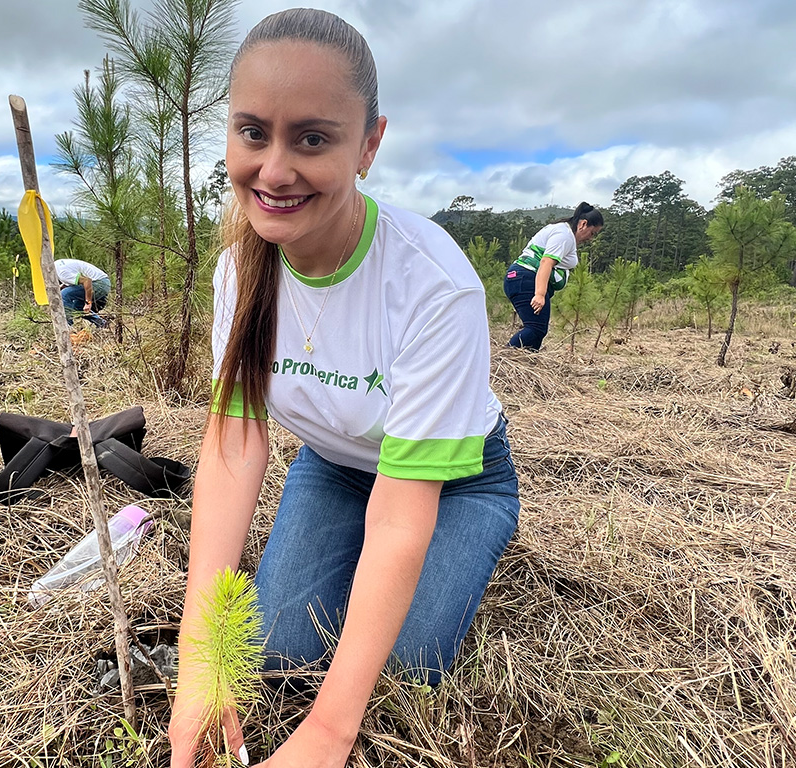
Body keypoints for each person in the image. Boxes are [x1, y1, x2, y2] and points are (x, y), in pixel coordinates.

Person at [167, 10, 519, 768]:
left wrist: (331, 732)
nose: (275, 169)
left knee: (403, 668)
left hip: (453, 483)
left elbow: (400, 513)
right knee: (279, 652)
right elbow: (235, 446)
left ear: (370, 143)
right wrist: (204, 661)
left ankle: (473, 546)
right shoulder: (241, 267)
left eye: (314, 139)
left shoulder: (431, 285)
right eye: (253, 133)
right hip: (334, 465)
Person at [503, 203, 604, 350]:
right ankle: (504, 359)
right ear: (583, 224)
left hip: (520, 278)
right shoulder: (564, 236)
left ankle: (525, 364)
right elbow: (546, 262)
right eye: (592, 233)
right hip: (526, 279)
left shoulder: (562, 230)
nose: (591, 239)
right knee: (535, 329)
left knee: (537, 331)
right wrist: (539, 294)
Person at [54, 258, 109, 328]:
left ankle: (67, 326)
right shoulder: (57, 265)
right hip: (104, 282)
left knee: (64, 294)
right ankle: (100, 322)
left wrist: (88, 302)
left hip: (99, 283)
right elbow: (74, 282)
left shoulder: (62, 273)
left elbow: (87, 281)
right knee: (77, 306)